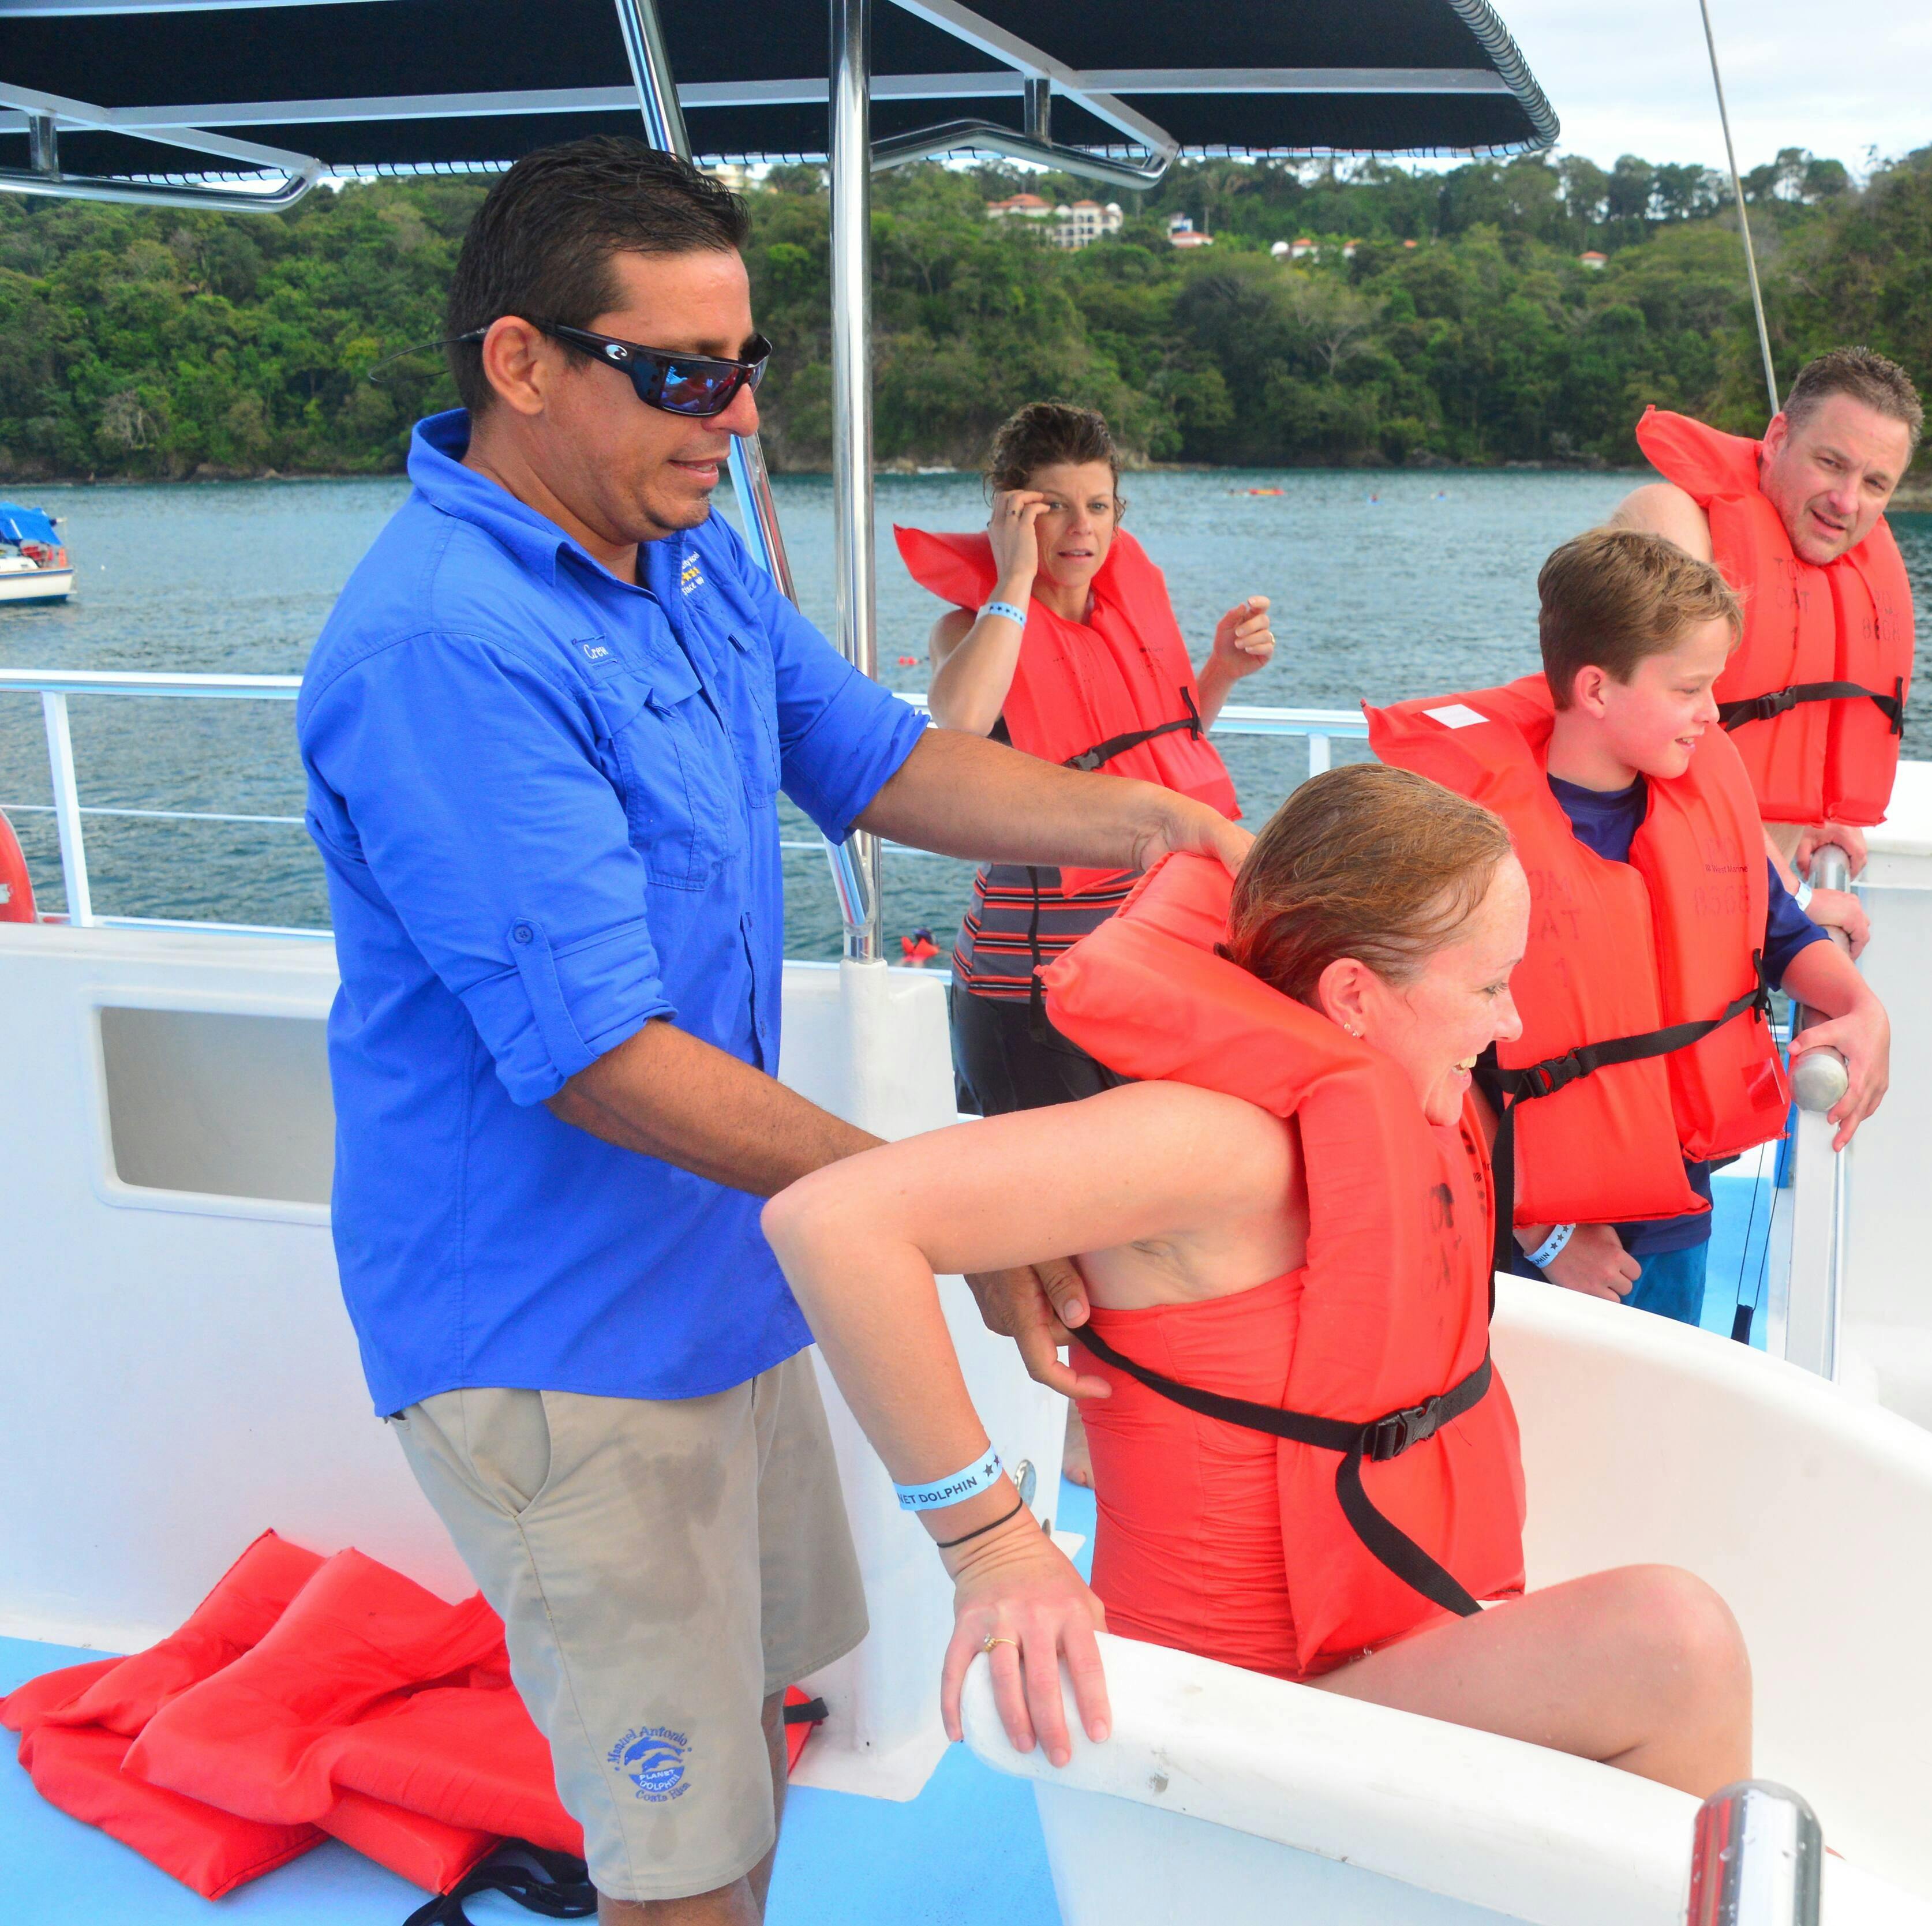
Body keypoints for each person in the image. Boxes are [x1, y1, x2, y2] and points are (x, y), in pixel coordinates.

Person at [295, 139, 1247, 1926]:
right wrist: (923, 1212)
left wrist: (1162, 825)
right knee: (683, 1854)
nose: (726, 417)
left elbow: (877, 757)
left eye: (743, 371)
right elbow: (593, 1053)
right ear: (518, 363)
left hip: (728, 1274)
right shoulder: (445, 644)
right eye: (677, 374)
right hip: (557, 1338)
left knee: (756, 1719)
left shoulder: (686, 544)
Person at [761, 765, 1753, 1798]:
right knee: (1677, 1648)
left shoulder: (1387, 1100)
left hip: (1385, 1631)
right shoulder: (1217, 1141)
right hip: (1235, 1708)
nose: (1513, 1023)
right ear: (1355, 994)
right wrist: (994, 1545)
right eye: (1489, 985)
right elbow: (833, 1223)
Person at [1369, 530, 1889, 1324]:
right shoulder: (1469, 850)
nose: (1712, 714)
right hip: (1525, 1234)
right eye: (1689, 690)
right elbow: (1427, 1060)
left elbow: (1778, 933)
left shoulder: (1699, 800)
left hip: (1677, 1206)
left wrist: (1858, 1003)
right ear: (1598, 691)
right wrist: (1543, 1235)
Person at [894, 402, 1275, 1117]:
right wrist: (1012, 580)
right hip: (1028, 991)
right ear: (1012, 515)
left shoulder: (1121, 623)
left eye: (1098, 505)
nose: (1082, 527)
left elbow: (1157, 756)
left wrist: (1218, 671)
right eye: (1055, 507)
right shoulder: (967, 630)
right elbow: (962, 718)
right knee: (1054, 1227)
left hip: (1142, 971)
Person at [1609, 346, 1927, 951]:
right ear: (1778, 435)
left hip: (1727, 929)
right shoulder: (1670, 526)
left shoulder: (1833, 555)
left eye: (1874, 483)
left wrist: (1804, 813)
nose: (1846, 501)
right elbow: (1664, 748)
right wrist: (1799, 898)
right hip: (1630, 929)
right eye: (1830, 463)